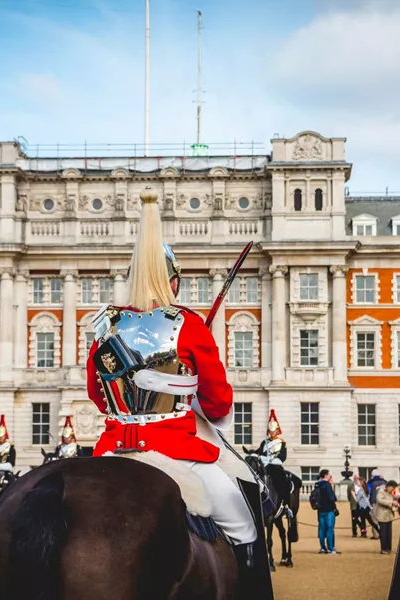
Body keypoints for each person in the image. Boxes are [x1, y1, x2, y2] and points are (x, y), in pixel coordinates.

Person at [86, 187, 271, 599]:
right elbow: (219, 401)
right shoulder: (187, 325)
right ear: (174, 280)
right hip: (177, 448)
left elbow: (99, 395)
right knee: (243, 525)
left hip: (111, 450)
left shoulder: (105, 328)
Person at [315, 470, 340, 555]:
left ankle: (322, 547)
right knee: (330, 529)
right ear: (326, 476)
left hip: (320, 509)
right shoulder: (327, 485)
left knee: (321, 529)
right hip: (329, 510)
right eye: (329, 475)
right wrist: (334, 508)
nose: (330, 476)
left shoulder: (317, 485)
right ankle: (330, 548)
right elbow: (332, 498)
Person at [377, 480, 399, 554]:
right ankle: (383, 549)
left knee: (389, 533)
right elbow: (380, 500)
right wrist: (391, 502)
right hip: (382, 516)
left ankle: (388, 548)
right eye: (393, 488)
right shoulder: (381, 491)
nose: (393, 490)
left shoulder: (389, 493)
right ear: (389, 486)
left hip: (389, 516)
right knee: (383, 533)